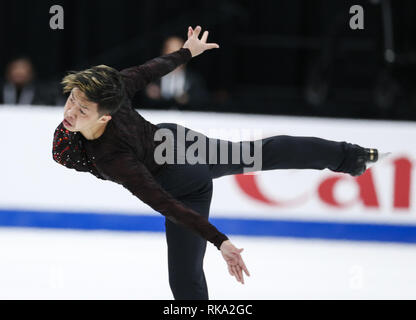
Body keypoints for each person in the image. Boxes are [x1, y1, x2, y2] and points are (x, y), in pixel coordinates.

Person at [52, 25, 379, 300]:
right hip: (180, 143)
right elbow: (152, 68)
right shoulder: (112, 88)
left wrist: (219, 240)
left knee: (184, 280)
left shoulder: (114, 158)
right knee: (258, 153)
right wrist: (187, 52)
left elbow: (166, 202)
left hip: (185, 182)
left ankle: (349, 156)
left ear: (105, 116)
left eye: (82, 110)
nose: (70, 112)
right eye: (72, 101)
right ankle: (349, 157)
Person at [141, 35, 209, 110]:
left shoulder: (194, 80)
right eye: (171, 53)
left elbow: (202, 103)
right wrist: (150, 95)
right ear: (163, 53)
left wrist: (187, 99)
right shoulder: (152, 78)